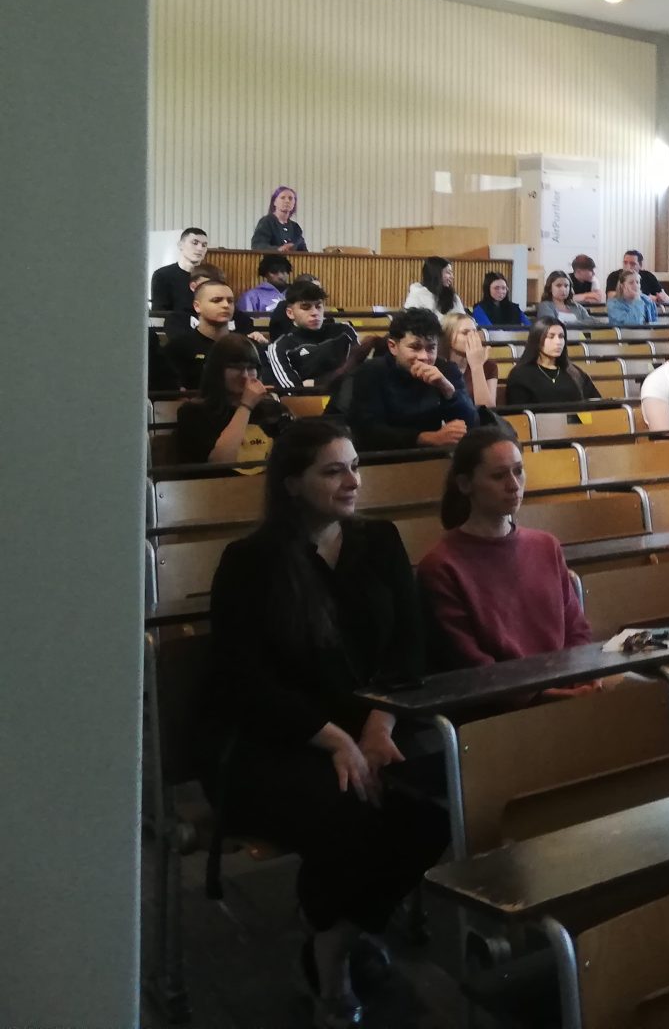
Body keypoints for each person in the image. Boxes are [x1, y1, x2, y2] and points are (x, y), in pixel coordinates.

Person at [204, 421, 447, 1026]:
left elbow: (410, 648)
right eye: (333, 470)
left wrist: (378, 727)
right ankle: (334, 974)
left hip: (370, 726)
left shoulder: (379, 541)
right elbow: (243, 682)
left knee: (439, 801)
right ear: (291, 484)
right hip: (277, 742)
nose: (352, 481)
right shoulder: (250, 562)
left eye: (355, 466)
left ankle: (329, 935)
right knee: (352, 809)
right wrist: (335, 738)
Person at [415, 429, 595, 671]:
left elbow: (577, 631)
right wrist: (548, 690)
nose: (513, 485)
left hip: (565, 681)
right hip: (506, 693)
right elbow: (471, 661)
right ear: (465, 484)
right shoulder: (441, 566)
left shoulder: (547, 546)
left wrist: (579, 679)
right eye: (498, 476)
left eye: (518, 471)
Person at [330, 308, 477, 451]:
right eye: (415, 347)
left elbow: (472, 425)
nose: (424, 356)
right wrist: (425, 438)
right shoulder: (371, 372)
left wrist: (449, 391)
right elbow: (367, 431)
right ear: (393, 347)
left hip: (431, 456)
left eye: (431, 348)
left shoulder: (446, 370)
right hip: (383, 460)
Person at [176, 336, 293, 464]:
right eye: (236, 367)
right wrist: (246, 406)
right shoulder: (194, 413)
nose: (245, 375)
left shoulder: (273, 410)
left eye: (250, 367)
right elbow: (220, 463)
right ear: (217, 370)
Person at [264, 281, 365, 392]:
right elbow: (294, 393)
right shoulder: (280, 347)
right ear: (290, 313)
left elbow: (359, 375)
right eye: (306, 307)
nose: (314, 313)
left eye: (318, 306)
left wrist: (316, 382)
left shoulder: (344, 332)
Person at [166, 276, 266, 389]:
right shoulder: (178, 347)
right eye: (216, 300)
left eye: (230, 301)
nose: (225, 305)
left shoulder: (249, 346)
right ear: (197, 306)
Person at [502, 319, 594, 406]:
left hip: (580, 418)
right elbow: (519, 413)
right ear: (537, 339)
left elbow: (595, 403)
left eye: (561, 336)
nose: (558, 342)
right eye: (551, 336)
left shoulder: (574, 371)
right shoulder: (521, 374)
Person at [440, 312, 499, 411]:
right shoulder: (438, 367)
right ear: (448, 337)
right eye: (465, 333)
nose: (473, 338)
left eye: (475, 332)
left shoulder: (488, 366)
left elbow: (487, 410)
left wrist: (477, 366)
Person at [150, 226, 210, 314]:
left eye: (204, 245)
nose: (200, 248)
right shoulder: (162, 275)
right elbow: (159, 312)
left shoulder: (211, 275)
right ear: (180, 245)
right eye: (195, 243)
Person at [250, 186, 308, 251]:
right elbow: (257, 245)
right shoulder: (266, 222)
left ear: (294, 204)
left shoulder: (295, 227)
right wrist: (278, 249)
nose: (287, 201)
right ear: (274, 202)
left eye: (290, 198)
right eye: (283, 198)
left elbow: (304, 252)